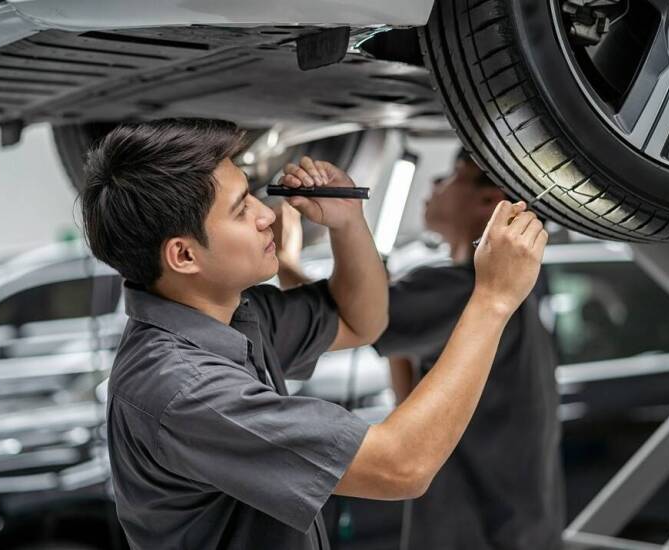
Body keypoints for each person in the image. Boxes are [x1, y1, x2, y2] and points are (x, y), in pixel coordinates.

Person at [78, 119, 547, 550]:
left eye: (252, 196)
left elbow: (361, 321)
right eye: (241, 210)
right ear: (183, 256)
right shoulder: (184, 390)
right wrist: (493, 300)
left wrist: (347, 223)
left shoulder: (235, 316)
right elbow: (401, 466)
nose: (266, 215)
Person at [377, 150, 564, 549]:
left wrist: (292, 257)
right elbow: (409, 399)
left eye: (450, 175)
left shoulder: (463, 291)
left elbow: (343, 319)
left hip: (475, 535)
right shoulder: (512, 297)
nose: (433, 184)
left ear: (489, 200)